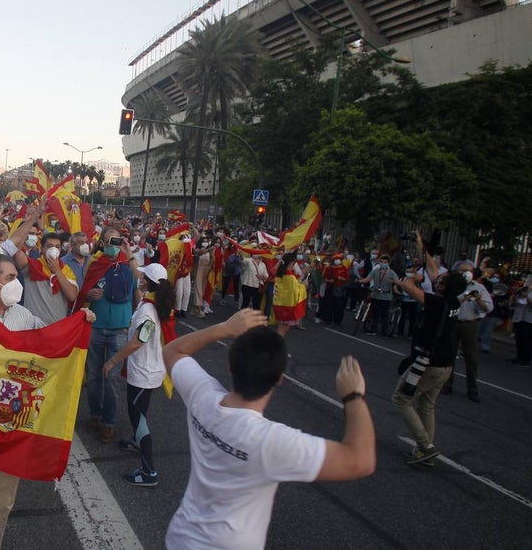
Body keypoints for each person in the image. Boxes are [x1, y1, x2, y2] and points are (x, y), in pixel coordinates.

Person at [162, 310, 375, 549]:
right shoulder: (269, 441)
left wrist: (224, 327)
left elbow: (172, 351)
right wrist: (354, 397)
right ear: (279, 379)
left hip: (181, 537)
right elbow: (361, 460)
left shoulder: (202, 396)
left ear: (231, 366)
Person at [0, 253, 95, 549]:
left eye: (16, 277)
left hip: (11, 430)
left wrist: (79, 322)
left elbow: (49, 339)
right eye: (10, 278)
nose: (17, 284)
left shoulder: (21, 316)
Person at [390, 233, 467, 465]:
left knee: (401, 399)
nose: (437, 278)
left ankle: (426, 445)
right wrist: (422, 247)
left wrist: (413, 277)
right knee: (427, 405)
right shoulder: (453, 301)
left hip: (428, 362)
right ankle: (424, 452)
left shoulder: (436, 302)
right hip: (445, 362)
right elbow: (434, 270)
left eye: (441, 280)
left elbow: (407, 286)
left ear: (442, 287)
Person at [106, 263, 174, 487]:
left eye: (143, 276)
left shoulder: (148, 309)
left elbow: (138, 341)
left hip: (143, 372)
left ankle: (148, 471)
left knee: (138, 417)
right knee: (140, 410)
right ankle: (137, 441)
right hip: (151, 368)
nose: (139, 277)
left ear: (147, 281)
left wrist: (113, 360)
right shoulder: (157, 302)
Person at [81, 227, 139, 444]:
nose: (113, 245)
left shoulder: (127, 264)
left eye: (116, 241)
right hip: (96, 327)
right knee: (94, 375)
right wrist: (88, 293)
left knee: (112, 378)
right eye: (109, 242)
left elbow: (139, 282)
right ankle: (95, 415)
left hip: (120, 330)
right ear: (102, 244)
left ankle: (109, 422)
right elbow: (82, 290)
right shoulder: (96, 265)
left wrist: (128, 251)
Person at [443, 265, 491, 402]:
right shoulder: (452, 286)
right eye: (462, 271)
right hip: (453, 322)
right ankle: (447, 384)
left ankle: (472, 389)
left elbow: (487, 308)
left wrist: (478, 299)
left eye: (468, 270)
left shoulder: (479, 288)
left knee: (471, 358)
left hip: (469, 324)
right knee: (449, 355)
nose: (465, 273)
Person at [509, 274, 532, 367]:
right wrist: (514, 299)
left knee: (527, 339)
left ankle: (526, 359)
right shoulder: (522, 290)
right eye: (528, 280)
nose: (529, 282)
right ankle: (519, 357)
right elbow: (514, 304)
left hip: (529, 319)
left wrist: (526, 297)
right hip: (519, 317)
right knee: (519, 338)